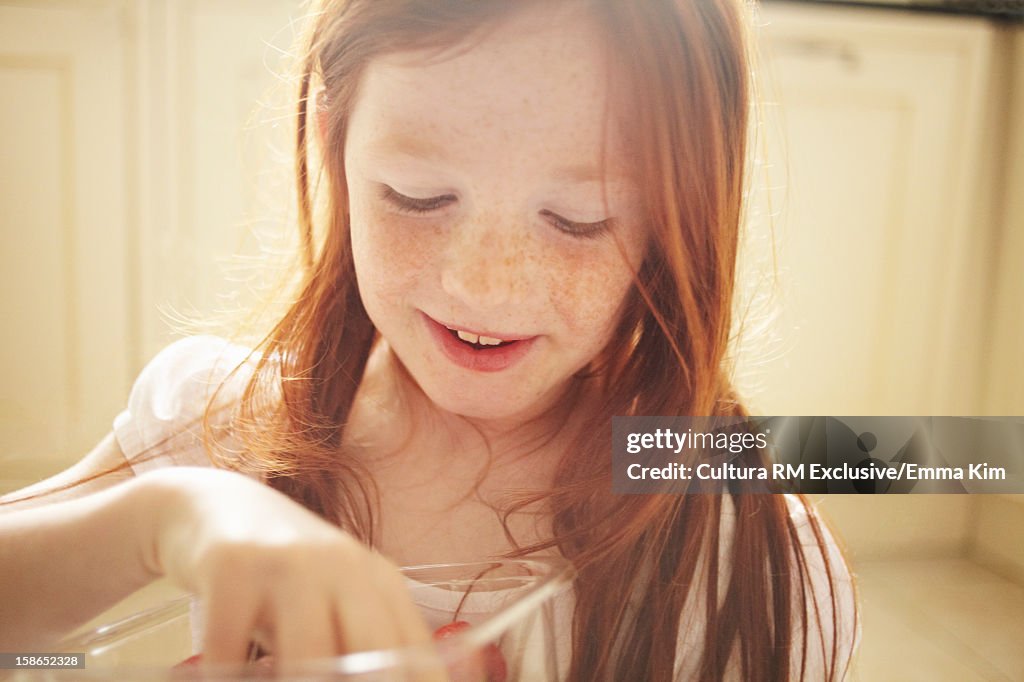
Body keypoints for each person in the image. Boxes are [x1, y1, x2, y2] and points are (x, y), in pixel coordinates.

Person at [0, 0, 859, 679]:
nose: (484, 286)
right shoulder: (220, 426)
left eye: (578, 220)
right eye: (416, 196)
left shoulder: (750, 567)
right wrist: (161, 517)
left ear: (677, 220)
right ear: (330, 146)